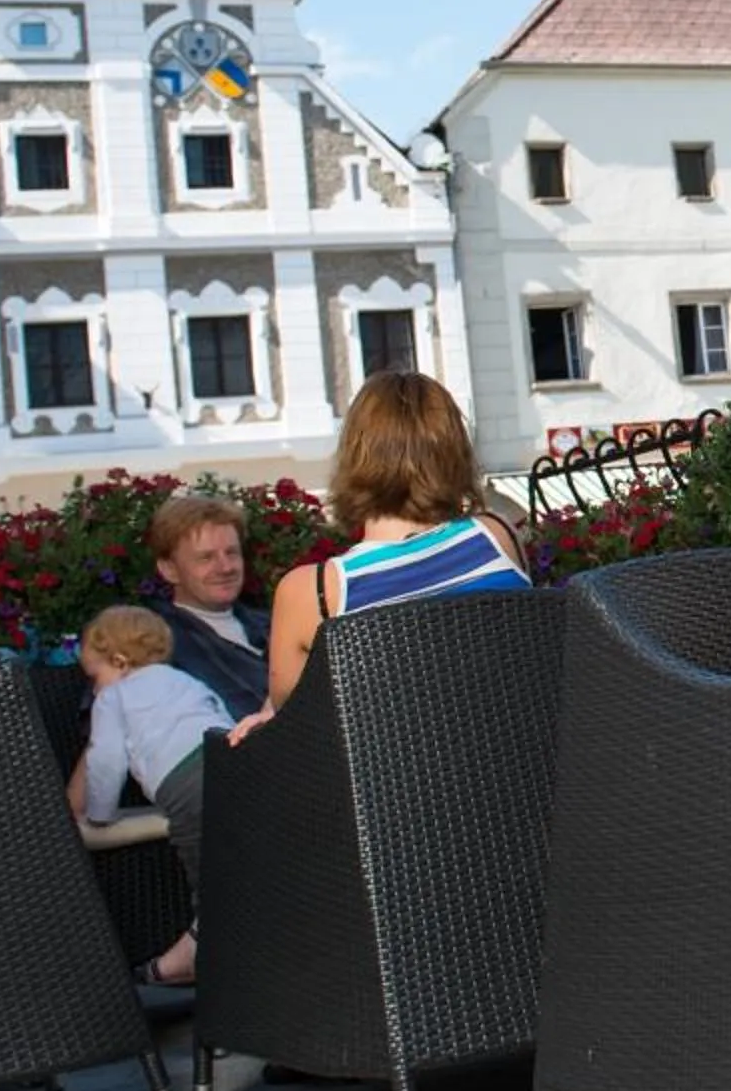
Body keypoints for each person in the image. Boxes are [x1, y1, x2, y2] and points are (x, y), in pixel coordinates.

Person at [230, 372, 531, 738]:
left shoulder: (318, 593)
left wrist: (266, 715)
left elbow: (289, 725)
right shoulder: (496, 537)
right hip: (523, 775)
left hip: (394, 789)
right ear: (454, 453)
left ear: (354, 458)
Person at [68, 607, 222, 988]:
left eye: (94, 677)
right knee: (233, 861)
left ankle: (208, 949)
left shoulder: (114, 697)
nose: (94, 688)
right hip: (229, 762)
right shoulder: (186, 681)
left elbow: (105, 760)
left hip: (184, 783)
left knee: (205, 871)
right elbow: (219, 715)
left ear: (119, 662)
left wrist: (101, 815)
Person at [145, 495, 271, 719]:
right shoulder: (158, 646)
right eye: (206, 558)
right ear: (169, 570)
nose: (225, 568)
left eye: (231, 553)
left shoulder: (273, 624)